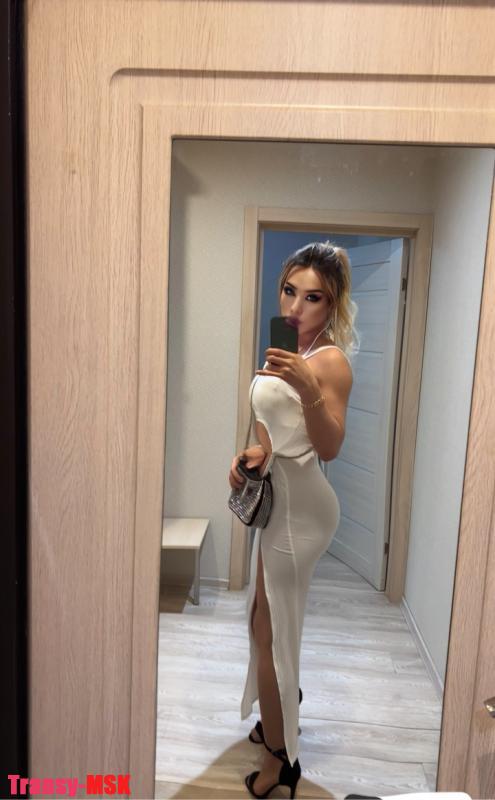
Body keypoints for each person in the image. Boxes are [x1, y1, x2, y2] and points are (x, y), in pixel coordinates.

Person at [229, 241, 360, 798]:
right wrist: (251, 456)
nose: (296, 307)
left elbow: (328, 447)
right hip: (279, 502)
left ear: (332, 304)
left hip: (302, 512)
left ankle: (280, 760)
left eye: (314, 298)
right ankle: (277, 713)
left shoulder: (328, 362)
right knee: (262, 620)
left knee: (274, 630)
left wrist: (307, 389)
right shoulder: (289, 349)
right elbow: (279, 436)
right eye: (290, 291)